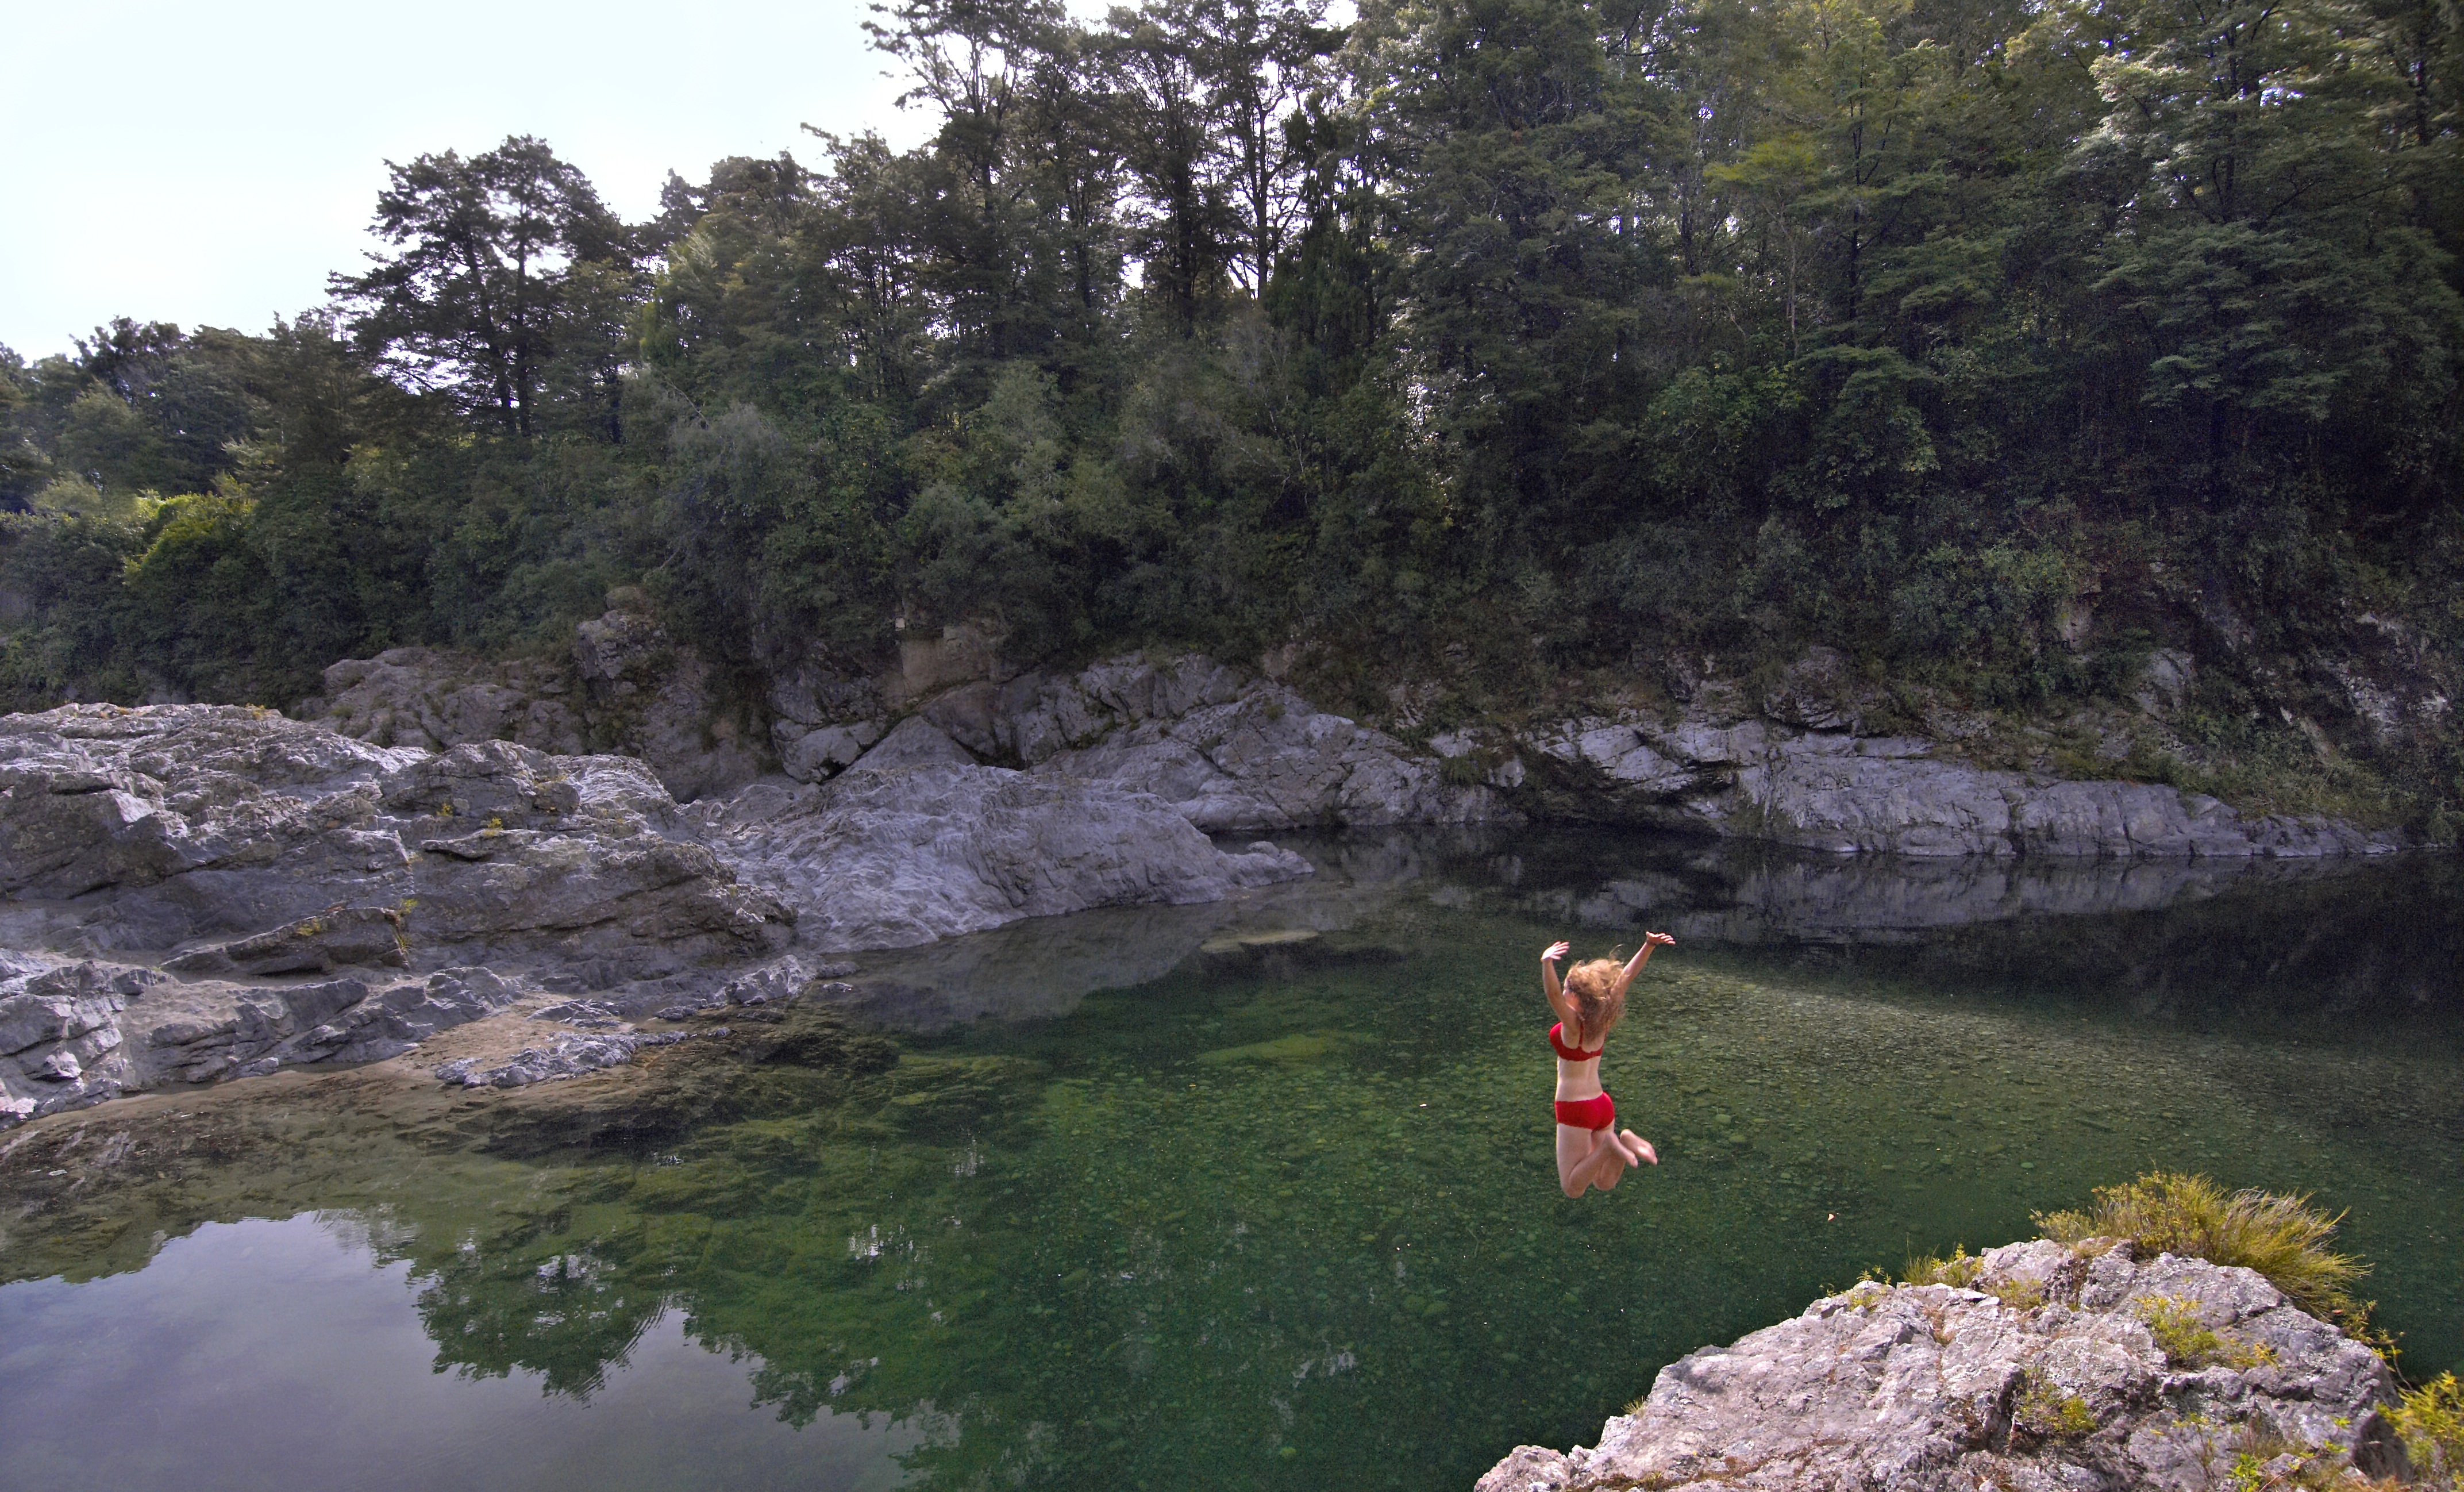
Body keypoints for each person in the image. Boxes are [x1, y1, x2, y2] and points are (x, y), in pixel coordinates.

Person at [1540, 933, 1673, 1198]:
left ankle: (1612, 1144)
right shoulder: (1602, 1020)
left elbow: (1552, 994)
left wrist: (1546, 963)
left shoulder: (1572, 1025)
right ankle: (1623, 1140)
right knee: (1604, 1182)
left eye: (1569, 989)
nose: (1564, 992)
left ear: (1578, 997)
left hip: (1575, 1107)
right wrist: (1648, 946)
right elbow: (1625, 977)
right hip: (1602, 1104)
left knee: (1572, 1188)